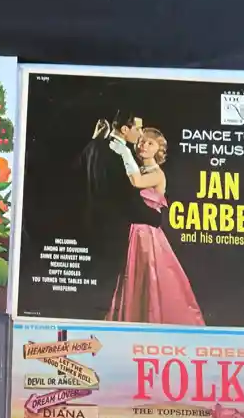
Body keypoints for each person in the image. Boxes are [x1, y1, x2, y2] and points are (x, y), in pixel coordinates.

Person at [106, 128, 204, 324]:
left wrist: (124, 152)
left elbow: (136, 181)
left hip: (147, 236)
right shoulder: (137, 168)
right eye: (142, 141)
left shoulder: (158, 174)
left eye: (150, 143)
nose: (144, 145)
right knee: (132, 279)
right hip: (133, 233)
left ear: (159, 149)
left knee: (150, 280)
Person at [73, 114, 165, 317]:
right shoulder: (119, 154)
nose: (141, 140)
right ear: (125, 129)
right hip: (120, 231)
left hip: (134, 232)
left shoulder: (100, 147)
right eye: (139, 133)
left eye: (149, 142)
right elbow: (128, 194)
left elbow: (132, 187)